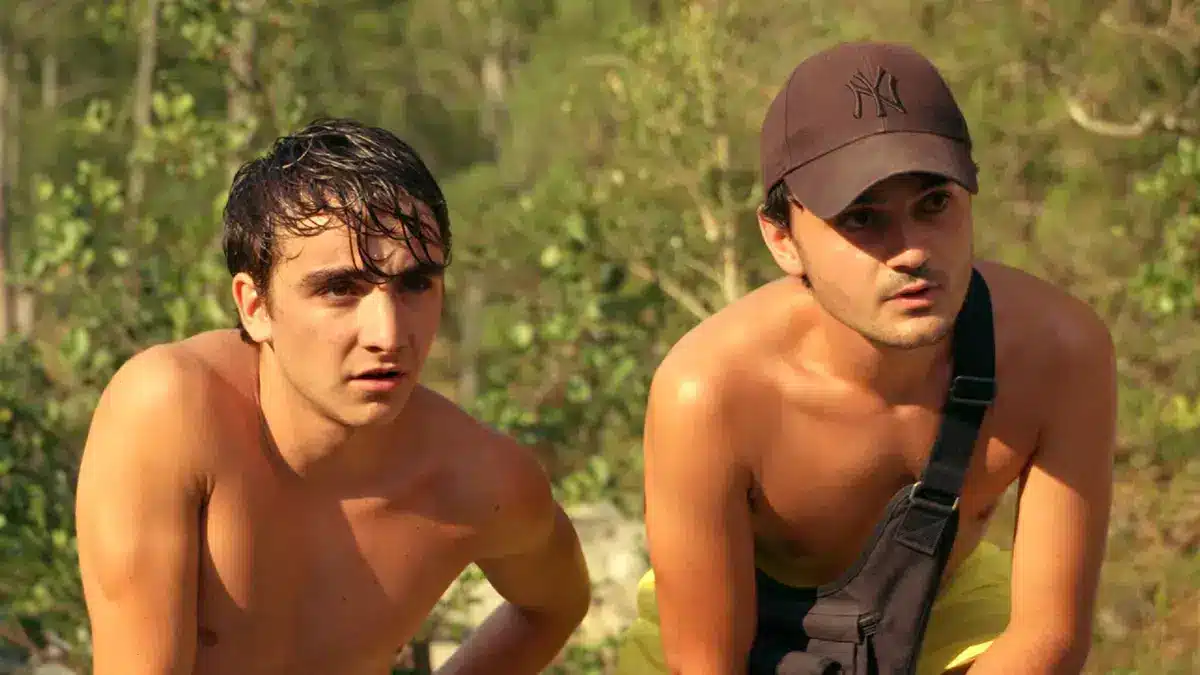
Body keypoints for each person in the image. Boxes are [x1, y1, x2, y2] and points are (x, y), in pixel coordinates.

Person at [616, 41, 1115, 675]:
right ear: (782, 239)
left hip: (940, 609)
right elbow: (705, 663)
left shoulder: (1058, 352)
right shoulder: (710, 393)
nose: (912, 251)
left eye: (934, 204)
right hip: (724, 623)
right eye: (861, 218)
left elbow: (1050, 637)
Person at [74, 118, 592, 675]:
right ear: (255, 306)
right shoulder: (171, 412)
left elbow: (554, 607)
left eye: (415, 284)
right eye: (341, 289)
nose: (388, 335)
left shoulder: (481, 480)